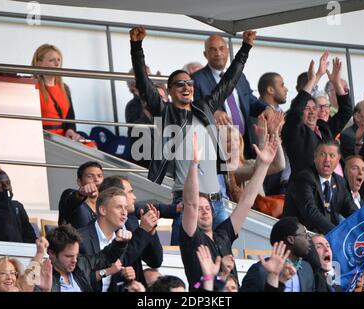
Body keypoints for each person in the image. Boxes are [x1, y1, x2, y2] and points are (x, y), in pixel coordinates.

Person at [130, 26, 258, 245]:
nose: (186, 87)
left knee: (222, 261)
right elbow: (143, 84)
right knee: (185, 257)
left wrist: (245, 47)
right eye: (179, 84)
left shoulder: (205, 107)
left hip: (217, 203)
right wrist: (136, 47)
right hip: (187, 202)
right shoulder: (165, 112)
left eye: (189, 83)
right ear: (170, 91)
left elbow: (228, 82)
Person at [180, 129, 278, 290]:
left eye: (207, 208)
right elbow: (190, 203)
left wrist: (264, 166)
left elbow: (246, 202)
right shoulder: (192, 239)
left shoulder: (223, 234)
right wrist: (194, 165)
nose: (204, 211)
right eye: (200, 209)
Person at [192, 34, 269, 160]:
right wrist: (212, 112)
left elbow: (250, 100)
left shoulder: (240, 77)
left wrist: (266, 108)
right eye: (212, 49)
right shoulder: (197, 79)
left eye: (222, 48)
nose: (218, 53)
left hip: (246, 144)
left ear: (228, 50)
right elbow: (194, 107)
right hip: (220, 147)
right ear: (205, 54)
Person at [282, 53, 352, 177]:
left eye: (314, 108)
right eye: (307, 109)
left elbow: (346, 111)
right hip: (306, 186)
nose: (312, 112)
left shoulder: (324, 128)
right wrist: (312, 81)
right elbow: (295, 111)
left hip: (332, 186)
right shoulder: (294, 132)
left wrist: (336, 83)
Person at [78, 187, 162, 291]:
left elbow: (156, 261)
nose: (124, 212)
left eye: (126, 208)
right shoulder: (80, 238)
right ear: (103, 210)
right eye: (119, 207)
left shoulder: (124, 237)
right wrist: (106, 272)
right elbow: (73, 280)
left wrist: (128, 279)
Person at [283, 140, 357, 234]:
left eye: (332, 155)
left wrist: (363, 226)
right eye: (322, 154)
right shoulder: (303, 178)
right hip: (298, 236)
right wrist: (337, 233)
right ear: (315, 157)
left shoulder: (340, 182)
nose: (327, 159)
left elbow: (351, 210)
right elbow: (311, 213)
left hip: (326, 238)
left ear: (338, 159)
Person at [46, 224, 131, 292]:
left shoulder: (81, 264)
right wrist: (38, 255)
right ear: (52, 253)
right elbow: (32, 282)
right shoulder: (43, 275)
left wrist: (119, 243)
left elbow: (105, 257)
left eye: (76, 255)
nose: (74, 260)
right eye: (69, 256)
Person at [240, 217, 314, 292]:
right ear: (291, 239)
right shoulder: (259, 271)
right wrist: (273, 277)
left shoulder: (306, 268)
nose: (309, 239)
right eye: (305, 235)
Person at [31, 44, 82, 141]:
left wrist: (70, 130)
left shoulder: (65, 88)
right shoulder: (32, 87)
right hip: (44, 139)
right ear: (39, 63)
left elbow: (70, 118)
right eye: (52, 60)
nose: (57, 64)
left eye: (59, 60)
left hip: (64, 140)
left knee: (93, 147)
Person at [58, 161, 104, 228]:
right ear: (79, 182)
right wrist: (81, 194)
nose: (96, 179)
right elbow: (70, 202)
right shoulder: (70, 194)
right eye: (90, 176)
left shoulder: (106, 203)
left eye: (99, 176)